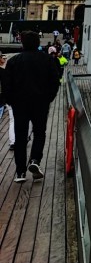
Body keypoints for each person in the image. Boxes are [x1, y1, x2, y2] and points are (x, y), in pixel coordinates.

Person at [4, 31, 62, 183]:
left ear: (22, 43)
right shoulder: (47, 60)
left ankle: (20, 172)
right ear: (38, 43)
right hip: (40, 103)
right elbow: (55, 82)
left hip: (19, 104)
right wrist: (48, 98)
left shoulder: (13, 61)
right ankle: (35, 160)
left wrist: (11, 101)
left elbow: (6, 86)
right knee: (39, 133)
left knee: (20, 136)